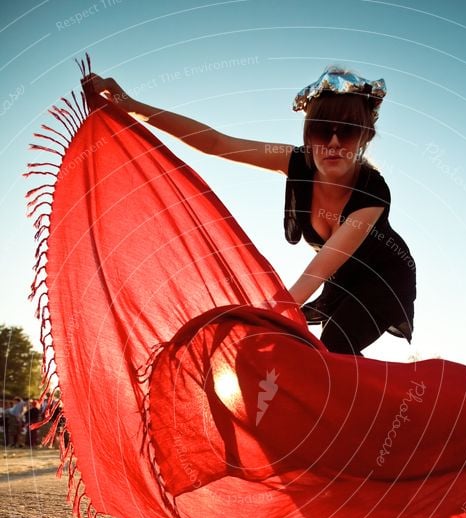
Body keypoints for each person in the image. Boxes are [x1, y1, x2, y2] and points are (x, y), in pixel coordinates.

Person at [83, 66, 416, 356]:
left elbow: (314, 274)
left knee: (334, 343)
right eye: (320, 129)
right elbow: (216, 143)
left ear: (365, 137)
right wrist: (130, 105)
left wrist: (260, 319)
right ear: (307, 134)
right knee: (313, 351)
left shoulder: (372, 192)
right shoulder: (294, 161)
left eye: (347, 131)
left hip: (385, 278)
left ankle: (383, 420)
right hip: (341, 282)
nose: (332, 142)